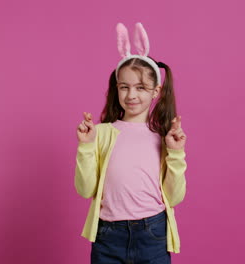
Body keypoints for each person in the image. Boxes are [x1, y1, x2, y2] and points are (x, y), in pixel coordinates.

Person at [75, 22, 187, 264]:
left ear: (155, 91)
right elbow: (85, 190)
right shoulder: (102, 133)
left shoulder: (162, 137)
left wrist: (176, 154)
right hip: (108, 236)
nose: (131, 95)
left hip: (153, 234)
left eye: (140, 87)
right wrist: (86, 147)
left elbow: (174, 197)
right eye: (124, 87)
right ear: (117, 89)